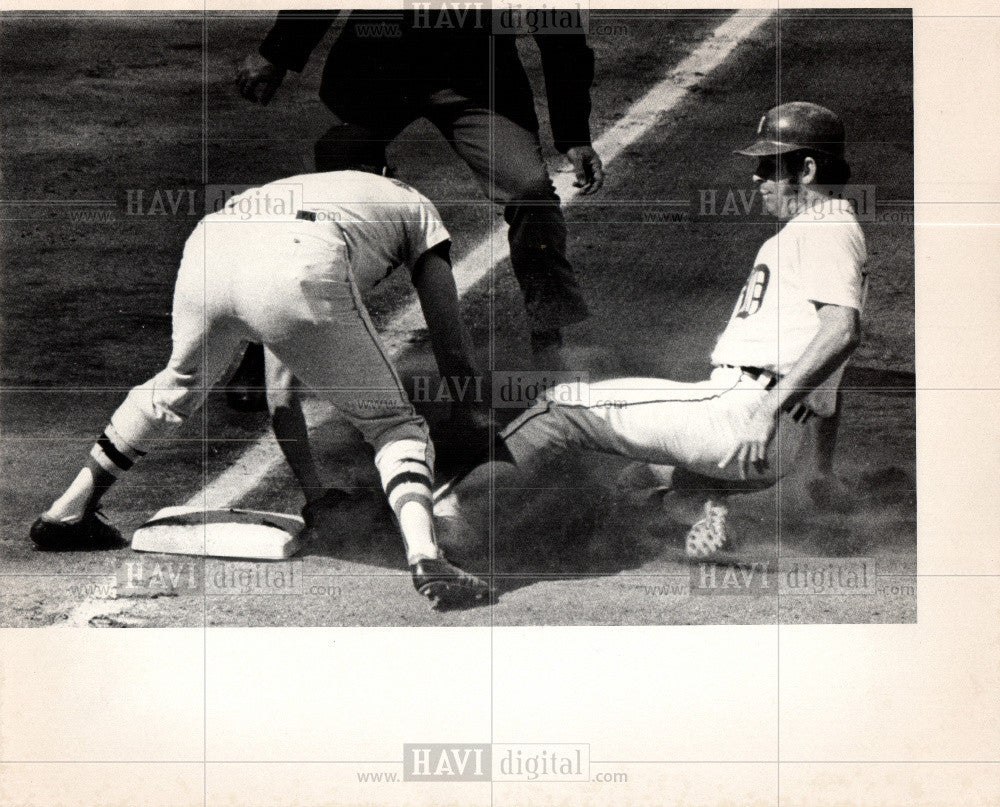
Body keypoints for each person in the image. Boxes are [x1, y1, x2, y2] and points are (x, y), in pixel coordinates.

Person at [30, 170, 491, 608]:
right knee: (393, 423)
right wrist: (471, 416)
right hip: (299, 256)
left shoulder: (320, 191)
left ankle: (65, 514)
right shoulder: (417, 207)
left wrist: (316, 496)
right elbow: (449, 339)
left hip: (213, 243)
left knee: (176, 386)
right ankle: (428, 559)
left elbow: (281, 391)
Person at [436, 102, 866, 558]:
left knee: (561, 408)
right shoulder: (830, 231)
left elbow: (842, 334)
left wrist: (762, 415)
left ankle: (444, 513)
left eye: (768, 165)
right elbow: (832, 358)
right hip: (773, 451)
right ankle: (696, 503)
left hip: (741, 417)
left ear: (807, 169)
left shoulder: (825, 227)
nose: (756, 177)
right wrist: (820, 468)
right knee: (637, 481)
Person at [227, 9, 605, 410]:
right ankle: (268, 344)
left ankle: (550, 342)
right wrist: (277, 53)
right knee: (329, 205)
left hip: (478, 80)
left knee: (531, 193)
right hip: (380, 67)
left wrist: (574, 134)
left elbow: (559, 28)